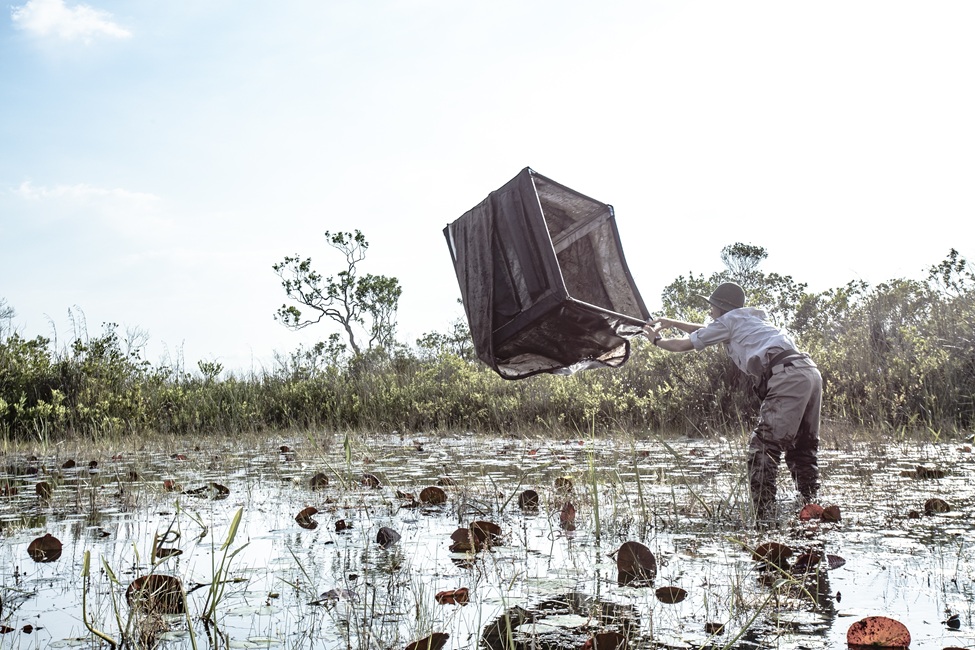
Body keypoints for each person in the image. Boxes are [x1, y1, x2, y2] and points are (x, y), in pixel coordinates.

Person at [645, 282, 822, 525]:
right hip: (809, 372)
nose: (710, 313)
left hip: (786, 375)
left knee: (763, 448)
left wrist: (656, 340)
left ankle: (765, 518)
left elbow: (682, 345)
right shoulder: (749, 319)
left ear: (720, 308)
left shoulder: (729, 322)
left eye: (712, 308)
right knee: (802, 449)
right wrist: (673, 322)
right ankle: (810, 505)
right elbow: (707, 330)